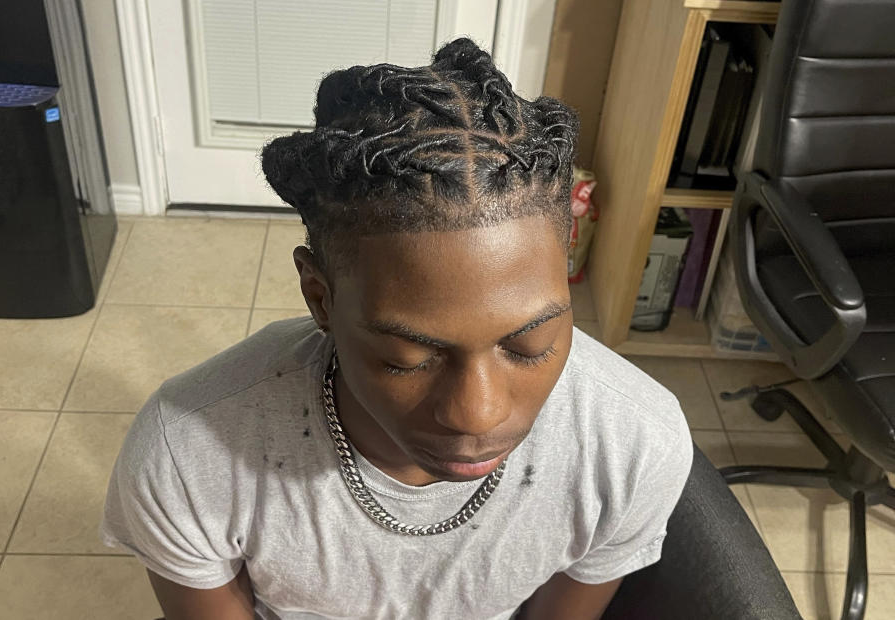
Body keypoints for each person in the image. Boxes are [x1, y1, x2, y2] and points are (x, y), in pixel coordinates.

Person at [99, 38, 692, 620]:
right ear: (320, 297)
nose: (477, 414)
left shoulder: (636, 445)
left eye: (529, 345)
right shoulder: (186, 453)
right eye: (408, 358)